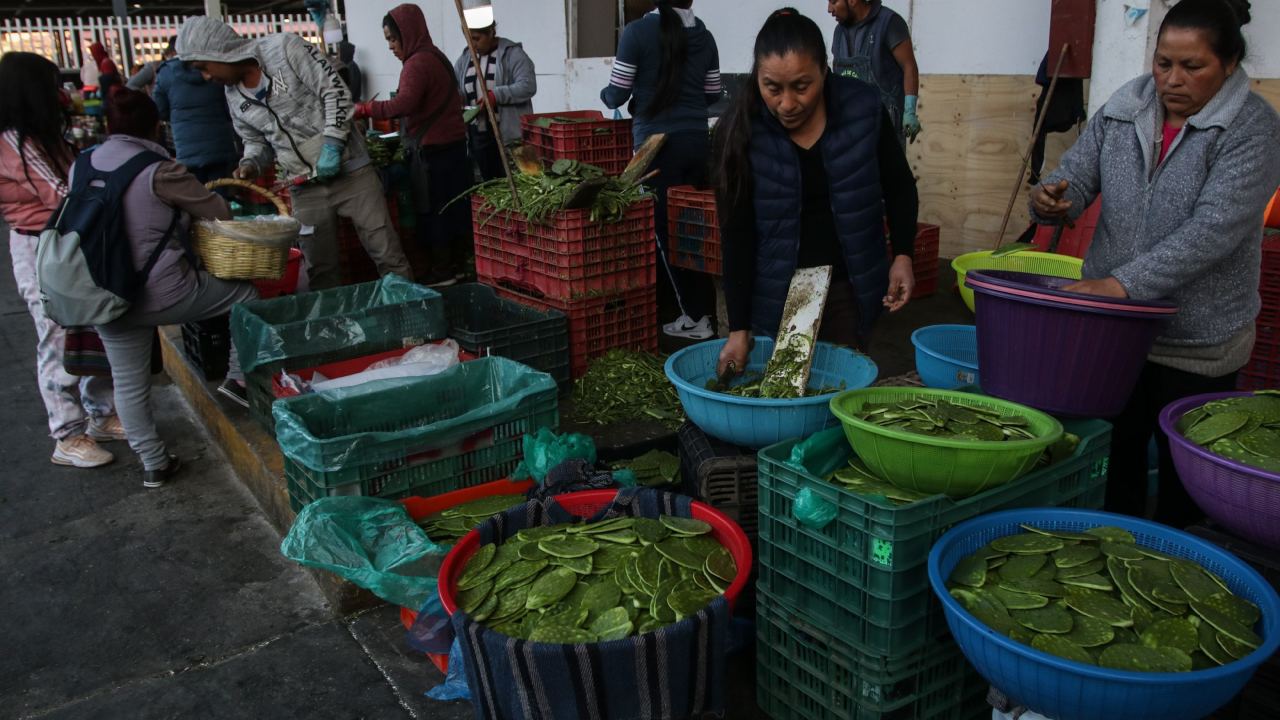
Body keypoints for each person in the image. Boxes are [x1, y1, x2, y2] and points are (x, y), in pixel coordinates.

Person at [1031, 0, 1280, 528]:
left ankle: (1175, 557)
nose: (1173, 79)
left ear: (1230, 63)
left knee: (1186, 481)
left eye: (1193, 67)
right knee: (1111, 457)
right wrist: (1052, 198)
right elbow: (1075, 175)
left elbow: (1214, 231)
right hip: (1116, 335)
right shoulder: (1125, 107)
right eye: (1164, 63)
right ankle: (1110, 543)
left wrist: (1122, 284)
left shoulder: (1252, 128)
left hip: (1198, 339)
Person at [714, 8, 918, 376]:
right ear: (757, 78)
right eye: (772, 88)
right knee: (781, 393)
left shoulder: (863, 109)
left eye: (801, 86)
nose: (787, 104)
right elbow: (737, 234)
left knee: (838, 388)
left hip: (848, 287)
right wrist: (739, 328)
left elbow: (899, 185)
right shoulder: (741, 129)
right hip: (774, 293)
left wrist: (903, 253)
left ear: (825, 70)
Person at [90, 88, 260, 488]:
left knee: (128, 381)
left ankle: (154, 464)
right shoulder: (159, 168)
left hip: (102, 293)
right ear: (155, 126)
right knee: (246, 294)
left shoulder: (84, 162)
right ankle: (236, 379)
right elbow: (220, 212)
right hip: (159, 292)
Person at [175, 16, 413, 290]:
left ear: (217, 51)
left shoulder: (285, 49)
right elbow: (254, 139)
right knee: (320, 269)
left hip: (353, 173)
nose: (207, 77)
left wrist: (333, 144)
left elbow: (335, 91)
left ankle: (413, 320)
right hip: (304, 188)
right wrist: (251, 162)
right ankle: (334, 328)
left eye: (203, 67)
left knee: (386, 252)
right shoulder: (233, 95)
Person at [0, 51, 123, 469]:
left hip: (68, 243)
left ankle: (102, 415)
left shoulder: (45, 136)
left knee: (90, 328)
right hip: (42, 248)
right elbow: (63, 193)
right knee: (56, 336)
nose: (63, 93)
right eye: (54, 85)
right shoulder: (15, 142)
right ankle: (67, 434)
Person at [601, 0, 722, 340]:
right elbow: (712, 93)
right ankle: (705, 312)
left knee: (668, 232)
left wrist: (606, 95)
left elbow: (617, 93)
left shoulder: (636, 33)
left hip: (656, 149)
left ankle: (696, 317)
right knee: (695, 229)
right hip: (698, 143)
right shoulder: (705, 35)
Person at [355, 4, 469, 287]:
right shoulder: (436, 56)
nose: (392, 47)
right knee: (452, 208)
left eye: (393, 39)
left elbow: (403, 104)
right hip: (452, 148)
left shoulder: (417, 63)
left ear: (408, 33)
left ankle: (443, 273)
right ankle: (458, 266)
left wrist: (365, 109)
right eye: (388, 41)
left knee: (436, 211)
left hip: (434, 152)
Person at [453, 4, 537, 181]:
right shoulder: (465, 59)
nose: (472, 44)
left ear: (491, 31)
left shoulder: (513, 54)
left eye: (476, 38)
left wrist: (495, 96)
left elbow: (528, 85)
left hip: (510, 136)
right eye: (468, 39)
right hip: (479, 135)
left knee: (516, 181)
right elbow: (456, 87)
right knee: (488, 184)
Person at [828, 0, 921, 145]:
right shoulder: (839, 32)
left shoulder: (889, 23)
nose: (829, 9)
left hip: (884, 129)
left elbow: (909, 66)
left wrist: (909, 111)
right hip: (849, 129)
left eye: (833, 2)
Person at [153, 45, 239, 185]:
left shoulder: (165, 73)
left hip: (186, 147)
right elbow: (229, 108)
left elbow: (160, 110)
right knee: (219, 193)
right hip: (219, 145)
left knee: (196, 197)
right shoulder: (214, 67)